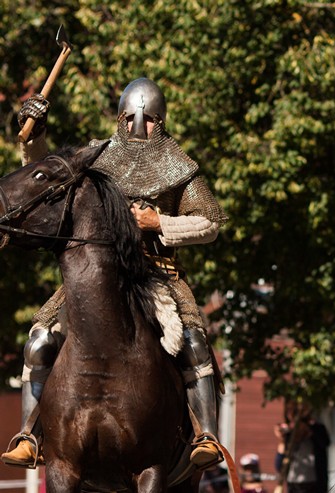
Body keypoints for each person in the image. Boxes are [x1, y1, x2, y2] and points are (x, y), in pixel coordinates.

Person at [0, 79, 228, 469]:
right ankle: (29, 433)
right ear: (120, 118)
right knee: (39, 339)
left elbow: (211, 223)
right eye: (132, 117)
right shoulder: (99, 160)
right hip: (97, 275)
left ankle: (205, 435)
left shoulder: (180, 168)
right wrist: (33, 137)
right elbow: (49, 182)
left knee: (193, 340)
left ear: (163, 121)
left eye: (151, 118)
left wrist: (160, 222)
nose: (142, 125)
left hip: (159, 274)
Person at [274, 402, 330, 493]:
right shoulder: (289, 435)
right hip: (294, 485)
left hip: (314, 485)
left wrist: (309, 430)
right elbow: (279, 466)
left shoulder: (317, 429)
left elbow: (325, 443)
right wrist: (282, 440)